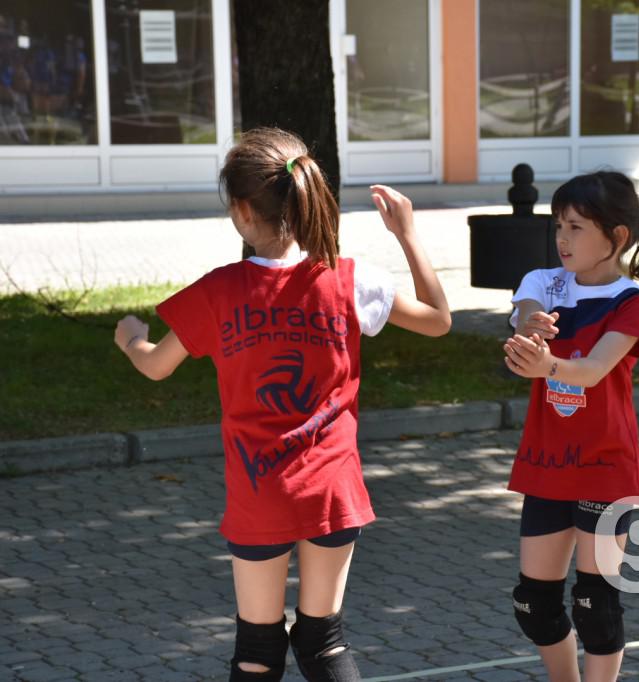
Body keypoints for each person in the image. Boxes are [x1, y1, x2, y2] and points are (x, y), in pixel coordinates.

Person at [112, 128, 451, 681]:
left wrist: (130, 336)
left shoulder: (219, 291)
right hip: (333, 490)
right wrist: (408, 235)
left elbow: (154, 365)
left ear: (243, 211)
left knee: (257, 647)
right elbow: (440, 321)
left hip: (259, 491)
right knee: (324, 639)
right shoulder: (348, 278)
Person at [502, 171, 639, 682]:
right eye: (558, 227)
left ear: (616, 237)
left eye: (575, 227)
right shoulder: (543, 282)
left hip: (605, 469)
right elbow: (528, 312)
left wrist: (546, 365)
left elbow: (593, 370)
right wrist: (531, 331)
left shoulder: (633, 304)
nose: (562, 239)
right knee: (534, 604)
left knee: (597, 607)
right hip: (546, 466)